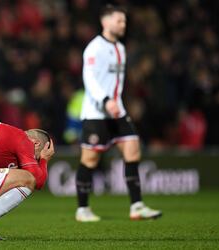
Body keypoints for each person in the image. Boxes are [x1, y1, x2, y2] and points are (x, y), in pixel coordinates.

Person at [75, 5, 162, 222]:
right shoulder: (94, 48)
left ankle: (137, 206)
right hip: (97, 113)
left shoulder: (121, 48)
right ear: (105, 22)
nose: (123, 25)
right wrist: (105, 101)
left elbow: (117, 82)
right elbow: (90, 80)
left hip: (118, 111)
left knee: (132, 149)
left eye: (124, 21)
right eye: (119, 21)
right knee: (90, 160)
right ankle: (82, 209)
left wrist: (118, 103)